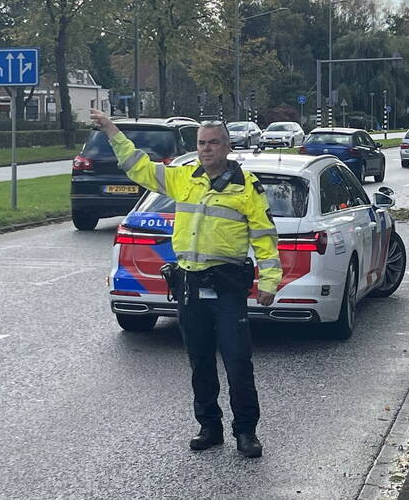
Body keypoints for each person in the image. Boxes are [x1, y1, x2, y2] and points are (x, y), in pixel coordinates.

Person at [90, 109, 281, 459]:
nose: (206, 149)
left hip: (226, 286)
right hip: (190, 284)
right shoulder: (183, 178)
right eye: (201, 143)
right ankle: (209, 426)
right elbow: (139, 167)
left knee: (238, 361)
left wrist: (270, 280)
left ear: (228, 147)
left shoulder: (247, 186)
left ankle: (246, 432)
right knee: (200, 361)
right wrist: (112, 131)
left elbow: (265, 237)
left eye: (213, 143)